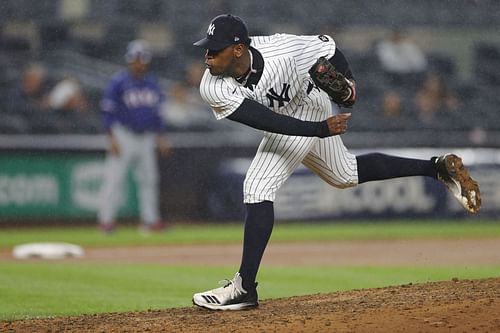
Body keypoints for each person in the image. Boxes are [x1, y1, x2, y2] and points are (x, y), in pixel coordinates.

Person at [191, 14, 481, 311]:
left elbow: (327, 47)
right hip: (298, 122)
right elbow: (267, 121)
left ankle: (244, 288)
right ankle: (437, 168)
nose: (207, 56)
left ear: (238, 49)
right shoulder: (212, 86)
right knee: (345, 173)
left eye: (215, 49)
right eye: (207, 48)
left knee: (257, 186)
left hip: (309, 104)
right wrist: (320, 129)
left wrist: (349, 85)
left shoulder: (283, 49)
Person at [98, 39, 171, 234]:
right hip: (124, 135)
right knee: (114, 179)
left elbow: (157, 113)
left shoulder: (153, 82)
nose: (138, 62)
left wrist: (161, 136)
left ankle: (151, 221)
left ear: (146, 61)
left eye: (141, 59)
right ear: (129, 60)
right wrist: (111, 137)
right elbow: (108, 111)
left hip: (146, 137)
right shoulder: (119, 82)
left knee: (149, 180)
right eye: (135, 59)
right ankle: (106, 221)